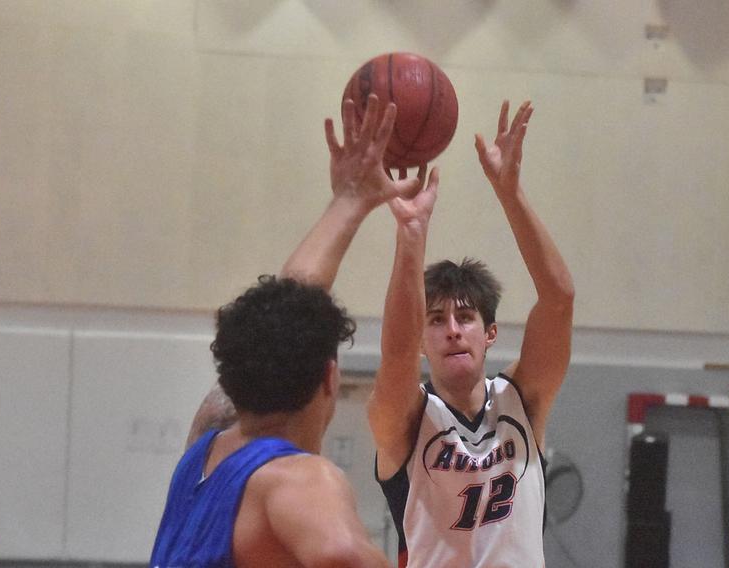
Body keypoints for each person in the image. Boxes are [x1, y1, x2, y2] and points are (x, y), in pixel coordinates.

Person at [151, 94, 434, 567]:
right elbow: (344, 553)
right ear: (329, 377)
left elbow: (282, 316)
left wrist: (349, 201)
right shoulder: (298, 480)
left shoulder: (206, 443)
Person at [368, 100, 575, 567]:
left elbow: (559, 300)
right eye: (436, 320)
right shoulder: (407, 418)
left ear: (490, 334)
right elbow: (397, 356)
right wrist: (411, 233)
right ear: (424, 340)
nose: (453, 331)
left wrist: (511, 193)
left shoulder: (523, 400)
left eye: (465, 317)